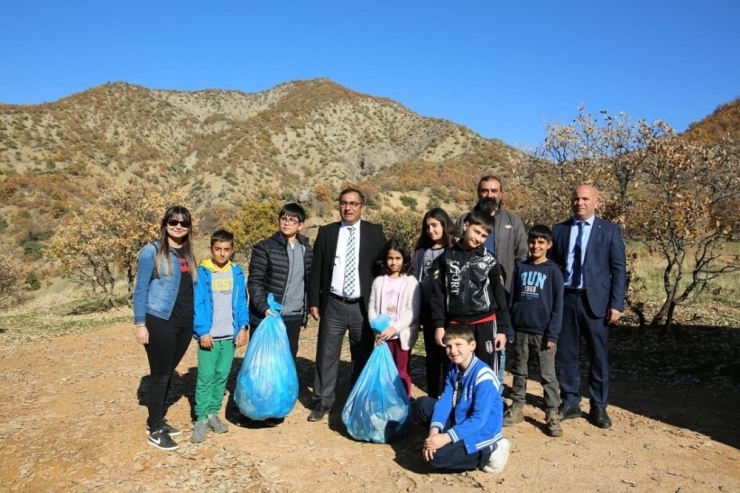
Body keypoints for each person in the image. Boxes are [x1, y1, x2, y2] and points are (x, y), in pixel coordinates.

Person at [307, 187, 387, 422]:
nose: (348, 207)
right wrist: (314, 300)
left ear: (362, 207)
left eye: (353, 203)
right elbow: (317, 269)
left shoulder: (375, 232)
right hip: (333, 304)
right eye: (344, 203)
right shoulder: (327, 232)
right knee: (326, 354)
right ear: (339, 205)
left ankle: (358, 400)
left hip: (362, 306)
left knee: (361, 354)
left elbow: (384, 267)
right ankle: (323, 400)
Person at [550, 184, 626, 429]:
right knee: (568, 354)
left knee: (598, 356)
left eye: (585, 198)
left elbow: (618, 270)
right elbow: (552, 268)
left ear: (596, 202)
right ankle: (570, 401)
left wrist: (616, 303)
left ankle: (599, 405)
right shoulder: (559, 230)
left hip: (596, 302)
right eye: (575, 198)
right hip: (567, 298)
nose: (579, 202)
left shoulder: (610, 231)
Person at [133, 206, 198, 451]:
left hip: (184, 322)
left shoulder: (189, 253)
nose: (178, 226)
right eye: (173, 222)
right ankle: (155, 429)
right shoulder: (152, 251)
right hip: (159, 319)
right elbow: (140, 290)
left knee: (168, 371)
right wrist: (140, 324)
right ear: (165, 224)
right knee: (160, 375)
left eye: (183, 223)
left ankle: (156, 420)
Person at [456, 175, 528, 390]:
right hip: (467, 299)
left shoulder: (512, 222)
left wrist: (514, 291)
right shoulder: (463, 220)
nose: (489, 195)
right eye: (485, 190)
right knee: (466, 346)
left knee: (497, 344)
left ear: (501, 194)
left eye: (494, 190)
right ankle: (466, 393)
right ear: (478, 192)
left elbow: (522, 257)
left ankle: (492, 394)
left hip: (499, 296)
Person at [414, 324, 511, 474]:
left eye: (458, 344)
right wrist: (434, 433)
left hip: (481, 430)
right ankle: (449, 440)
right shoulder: (454, 366)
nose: (453, 351)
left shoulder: (483, 376)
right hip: (460, 418)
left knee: (436, 458)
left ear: (472, 345)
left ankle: (491, 450)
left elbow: (479, 419)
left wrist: (445, 438)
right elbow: (445, 400)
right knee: (422, 404)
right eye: (448, 346)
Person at [431, 210, 511, 374]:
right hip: (456, 324)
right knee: (456, 370)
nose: (478, 238)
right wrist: (439, 325)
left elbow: (500, 296)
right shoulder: (446, 257)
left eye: (484, 235)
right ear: (466, 226)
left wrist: (502, 329)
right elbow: (438, 294)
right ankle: (458, 400)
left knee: (486, 371)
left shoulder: (490, 261)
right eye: (476, 231)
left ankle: (486, 400)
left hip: (485, 323)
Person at [503, 225, 564, 437]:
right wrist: (510, 328)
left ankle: (552, 412)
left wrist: (553, 333)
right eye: (532, 241)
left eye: (540, 242)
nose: (535, 246)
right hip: (521, 330)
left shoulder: (554, 271)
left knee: (547, 374)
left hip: (543, 332)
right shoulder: (521, 268)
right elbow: (512, 300)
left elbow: (558, 306)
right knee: (520, 370)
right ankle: (517, 407)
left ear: (549, 245)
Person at [190, 229, 249, 443]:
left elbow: (241, 301)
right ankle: (200, 418)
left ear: (232, 250)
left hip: (229, 336)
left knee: (221, 376)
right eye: (218, 249)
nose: (222, 254)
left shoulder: (236, 272)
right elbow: (199, 303)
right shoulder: (204, 272)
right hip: (210, 337)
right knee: (205, 377)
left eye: (226, 250)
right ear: (211, 249)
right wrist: (202, 331)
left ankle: (213, 413)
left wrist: (243, 327)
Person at [248, 203, 314, 362]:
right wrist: (263, 307)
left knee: (286, 361)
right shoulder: (264, 248)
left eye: (292, 220)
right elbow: (254, 282)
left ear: (301, 225)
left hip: (294, 316)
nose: (286, 223)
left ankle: (284, 389)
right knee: (263, 362)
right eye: (284, 218)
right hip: (269, 315)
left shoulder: (307, 250)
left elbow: (310, 282)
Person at [413, 207, 458, 398]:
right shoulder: (422, 252)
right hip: (427, 310)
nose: (431, 230)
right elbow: (417, 279)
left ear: (444, 224)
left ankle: (450, 397)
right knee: (431, 359)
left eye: (434, 225)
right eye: (427, 227)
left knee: (450, 356)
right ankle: (432, 397)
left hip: (449, 313)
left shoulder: (454, 250)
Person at [367, 238, 421, 397]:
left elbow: (412, 311)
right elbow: (372, 308)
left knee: (401, 371)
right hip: (382, 337)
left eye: (398, 258)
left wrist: (394, 328)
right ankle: (386, 402)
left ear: (404, 259)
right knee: (383, 371)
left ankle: (403, 402)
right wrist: (376, 329)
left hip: (400, 336)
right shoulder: (379, 282)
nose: (393, 262)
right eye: (390, 258)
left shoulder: (411, 282)